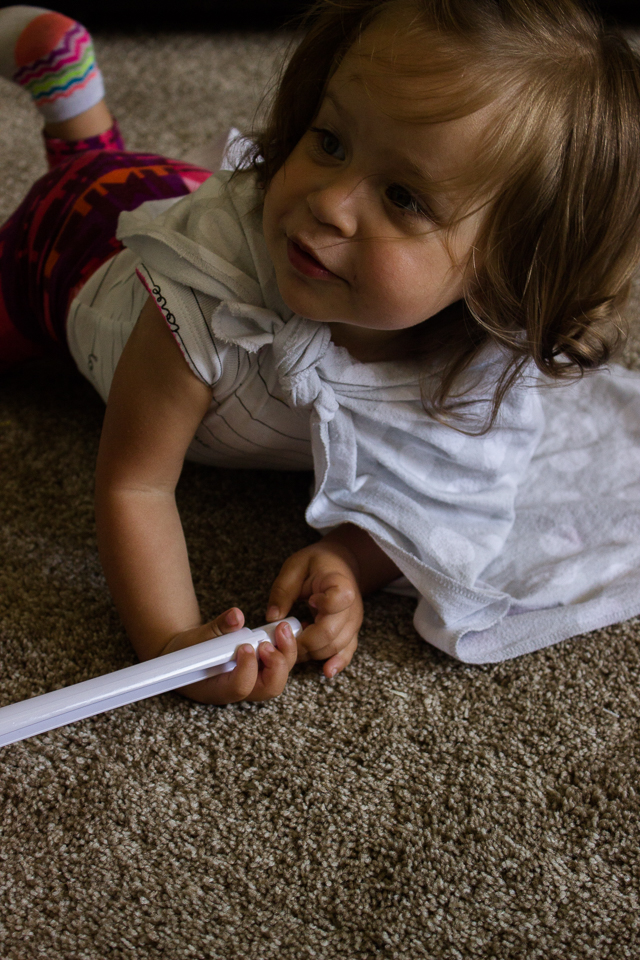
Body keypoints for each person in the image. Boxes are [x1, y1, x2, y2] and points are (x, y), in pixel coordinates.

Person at [2, 0, 640, 705]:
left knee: (161, 180)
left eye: (403, 197)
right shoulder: (205, 292)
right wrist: (171, 644)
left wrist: (350, 557)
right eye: (329, 140)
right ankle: (74, 116)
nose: (330, 202)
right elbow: (134, 484)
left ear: (507, 273)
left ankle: (86, 125)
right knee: (99, 183)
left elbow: (445, 501)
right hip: (68, 249)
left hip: (180, 191)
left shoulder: (479, 373)